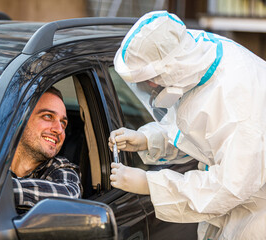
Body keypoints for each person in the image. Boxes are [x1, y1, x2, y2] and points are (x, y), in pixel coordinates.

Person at [109, 10, 266, 240]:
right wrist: (147, 140)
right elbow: (200, 129)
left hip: (256, 212)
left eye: (147, 81)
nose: (148, 87)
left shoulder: (238, 106)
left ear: (163, 72)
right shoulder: (193, 59)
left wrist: (150, 185)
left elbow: (229, 187)